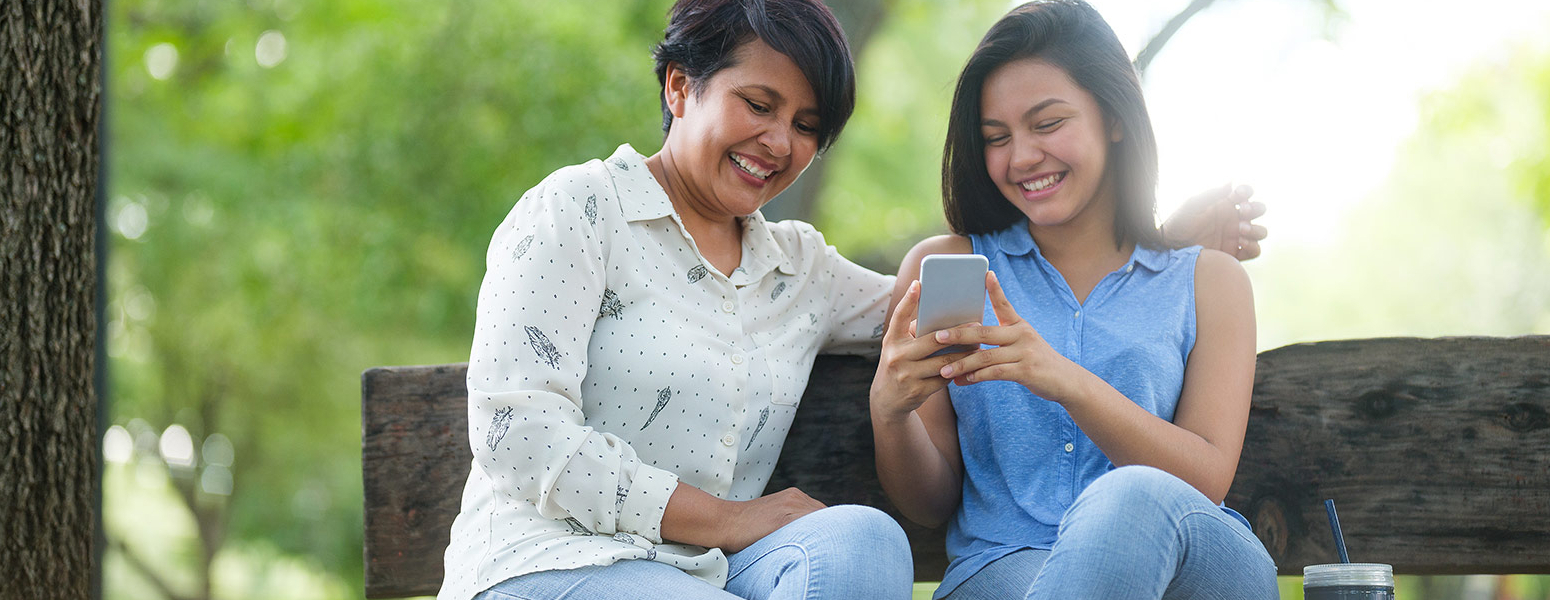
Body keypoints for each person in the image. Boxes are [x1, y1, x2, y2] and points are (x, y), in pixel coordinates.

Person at [441, 1, 1268, 599]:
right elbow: (519, 432)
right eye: (758, 105)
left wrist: (1160, 239)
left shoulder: (792, 266)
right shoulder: (578, 210)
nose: (779, 142)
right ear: (679, 87)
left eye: (805, 124)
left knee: (864, 540)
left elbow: (916, 308)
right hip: (557, 560)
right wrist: (732, 516)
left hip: (706, 574)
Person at [868, 2, 1278, 599]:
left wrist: (1061, 378)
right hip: (1004, 568)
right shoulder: (951, 269)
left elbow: (1205, 479)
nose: (1022, 157)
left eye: (1047, 123)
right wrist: (890, 412)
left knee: (1127, 497)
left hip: (1191, 567)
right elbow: (930, 506)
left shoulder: (1208, 281)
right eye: (996, 138)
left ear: (1113, 115)